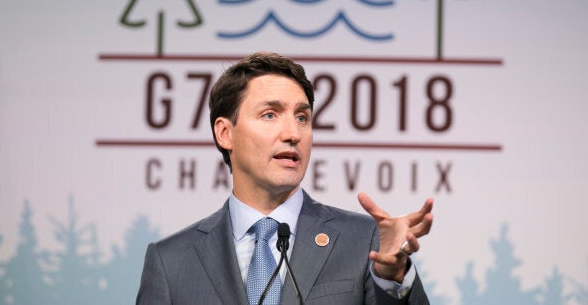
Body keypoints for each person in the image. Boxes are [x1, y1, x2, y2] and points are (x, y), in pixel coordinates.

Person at [136, 51, 434, 304]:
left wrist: (392, 279)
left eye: (302, 118)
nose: (293, 134)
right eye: (270, 115)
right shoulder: (170, 262)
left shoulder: (364, 243)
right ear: (225, 133)